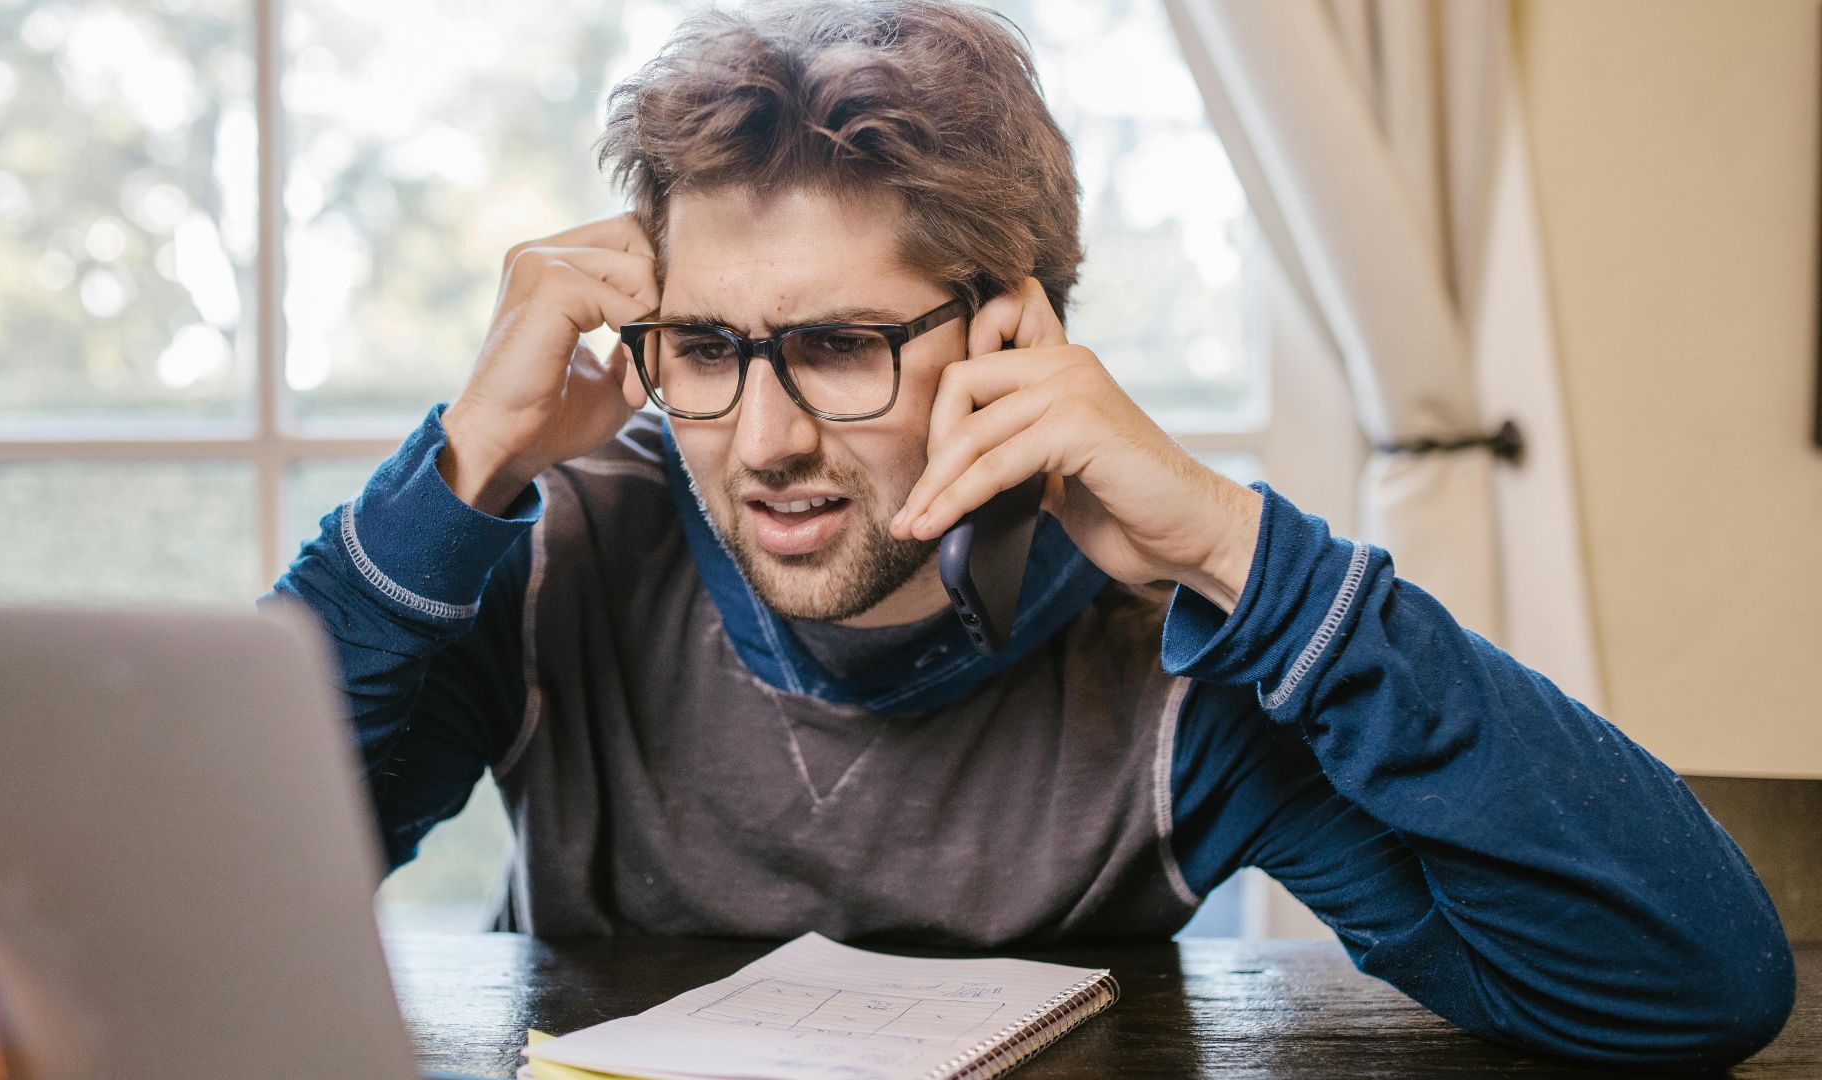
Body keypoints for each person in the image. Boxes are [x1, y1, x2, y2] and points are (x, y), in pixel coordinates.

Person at [265, 0, 1793, 1069]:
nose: (766, 439)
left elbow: (1687, 989)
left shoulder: (1173, 657)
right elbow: (225, 909)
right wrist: (458, 472)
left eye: (844, 344)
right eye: (710, 347)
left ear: (1011, 333)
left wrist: (1240, 554)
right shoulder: (553, 556)